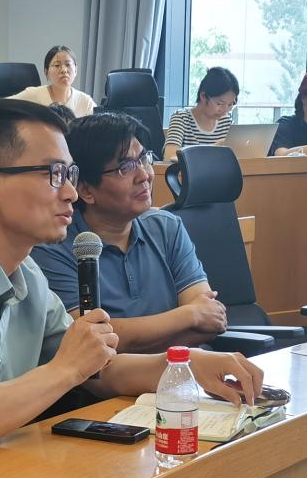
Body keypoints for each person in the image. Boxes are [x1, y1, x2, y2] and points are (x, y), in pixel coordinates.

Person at [0, 98, 261, 461]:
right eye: (53, 174)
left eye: (71, 175)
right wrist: (66, 369)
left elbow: (100, 369)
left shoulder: (26, 275)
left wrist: (185, 366)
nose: (71, 194)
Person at [32, 113, 228, 353]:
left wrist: (131, 338)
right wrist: (189, 315)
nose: (144, 175)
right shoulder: (54, 248)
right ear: (86, 190)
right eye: (125, 167)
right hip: (112, 378)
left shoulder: (167, 228)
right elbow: (84, 340)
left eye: (144, 159)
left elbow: (210, 322)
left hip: (184, 369)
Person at [164, 67, 239, 160]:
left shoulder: (227, 122)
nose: (225, 110)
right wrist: (214, 148)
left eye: (230, 104)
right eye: (220, 104)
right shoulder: (181, 118)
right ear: (203, 96)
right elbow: (169, 157)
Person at [9, 45, 95, 117]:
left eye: (68, 64)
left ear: (76, 70)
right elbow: (3, 106)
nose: (64, 70)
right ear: (46, 72)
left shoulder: (86, 102)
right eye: (57, 65)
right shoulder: (33, 94)